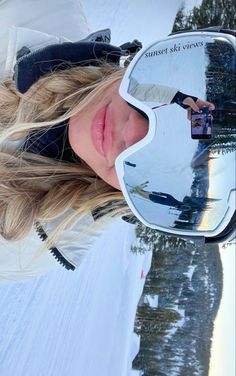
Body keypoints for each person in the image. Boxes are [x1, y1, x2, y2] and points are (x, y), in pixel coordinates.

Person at [0, 4, 215, 282]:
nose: (130, 132)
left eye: (161, 156)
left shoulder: (20, 249)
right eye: (148, 107)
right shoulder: (39, 9)